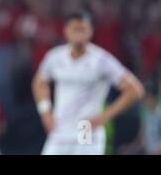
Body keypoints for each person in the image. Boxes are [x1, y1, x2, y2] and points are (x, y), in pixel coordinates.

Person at [32, 12, 144, 155]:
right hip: (60, 128)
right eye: (75, 29)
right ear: (65, 30)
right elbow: (40, 82)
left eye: (83, 30)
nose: (79, 34)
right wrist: (45, 111)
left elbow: (135, 90)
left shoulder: (101, 60)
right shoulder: (55, 57)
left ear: (91, 31)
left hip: (86, 129)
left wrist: (104, 117)